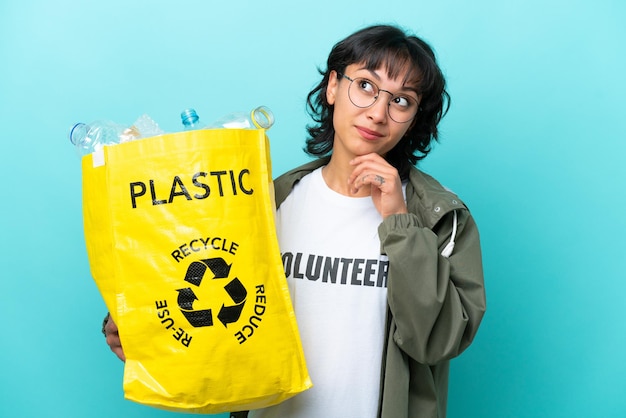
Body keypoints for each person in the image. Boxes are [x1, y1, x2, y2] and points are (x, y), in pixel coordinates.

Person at [103, 24, 486, 418]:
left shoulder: (440, 218)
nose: (377, 112)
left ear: (413, 118)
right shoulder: (267, 201)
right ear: (333, 87)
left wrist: (399, 224)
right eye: (366, 86)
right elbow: (203, 289)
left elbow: (439, 341)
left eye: (401, 100)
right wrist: (142, 326)